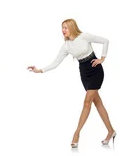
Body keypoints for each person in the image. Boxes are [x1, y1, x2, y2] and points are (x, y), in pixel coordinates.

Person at [27, 19, 116, 148]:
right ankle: (111, 131)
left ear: (72, 27)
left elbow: (105, 41)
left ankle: (77, 133)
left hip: (95, 69)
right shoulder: (66, 46)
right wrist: (39, 70)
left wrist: (102, 58)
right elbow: (55, 63)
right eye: (62, 28)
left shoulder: (84, 36)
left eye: (65, 28)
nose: (63, 30)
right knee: (97, 103)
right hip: (84, 73)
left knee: (87, 102)